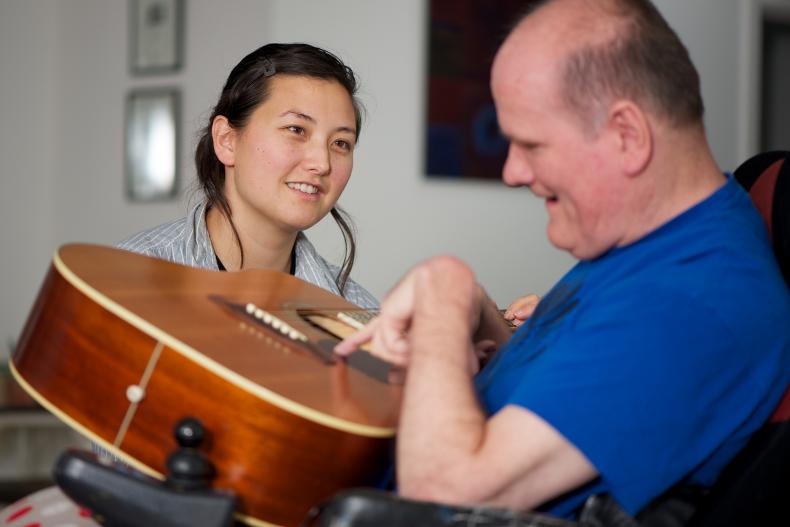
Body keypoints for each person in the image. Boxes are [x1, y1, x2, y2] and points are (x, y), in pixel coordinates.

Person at [336, 0, 790, 522]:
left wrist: (444, 288)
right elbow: (579, 392)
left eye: (531, 144)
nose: (512, 171)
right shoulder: (651, 240)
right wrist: (479, 316)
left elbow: (440, 494)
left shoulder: (691, 304)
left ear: (627, 135)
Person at [118, 42, 377, 308]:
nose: (322, 163)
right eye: (296, 130)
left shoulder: (361, 315)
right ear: (226, 140)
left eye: (340, 143)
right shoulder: (126, 280)